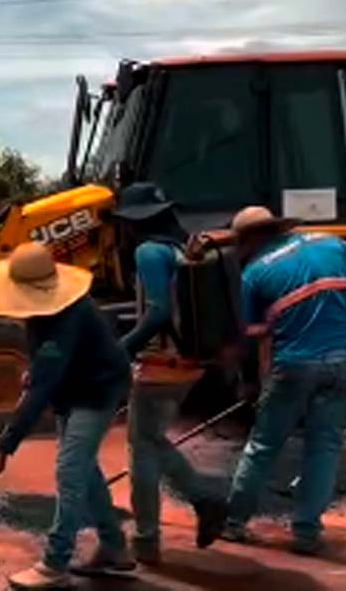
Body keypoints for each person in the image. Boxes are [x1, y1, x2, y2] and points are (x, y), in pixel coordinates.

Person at [0, 242, 133, 590]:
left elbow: (42, 389)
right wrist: (38, 369)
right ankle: (114, 547)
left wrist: (3, 447)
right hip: (74, 387)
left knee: (70, 470)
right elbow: (49, 365)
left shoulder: (69, 314)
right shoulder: (41, 313)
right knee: (84, 469)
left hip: (98, 391)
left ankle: (55, 562)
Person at [222, 206, 346, 555]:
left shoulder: (254, 275)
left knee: (263, 446)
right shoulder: (334, 245)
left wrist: (250, 383)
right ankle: (306, 533)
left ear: (252, 239)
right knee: (324, 448)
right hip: (341, 361)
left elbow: (255, 338)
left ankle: (234, 523)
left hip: (293, 367)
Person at [111, 183, 227, 564]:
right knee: (151, 441)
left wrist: (122, 348)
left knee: (141, 449)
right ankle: (203, 501)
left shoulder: (148, 251)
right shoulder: (180, 248)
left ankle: (148, 539)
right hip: (188, 362)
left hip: (161, 364)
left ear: (134, 222)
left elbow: (159, 311)